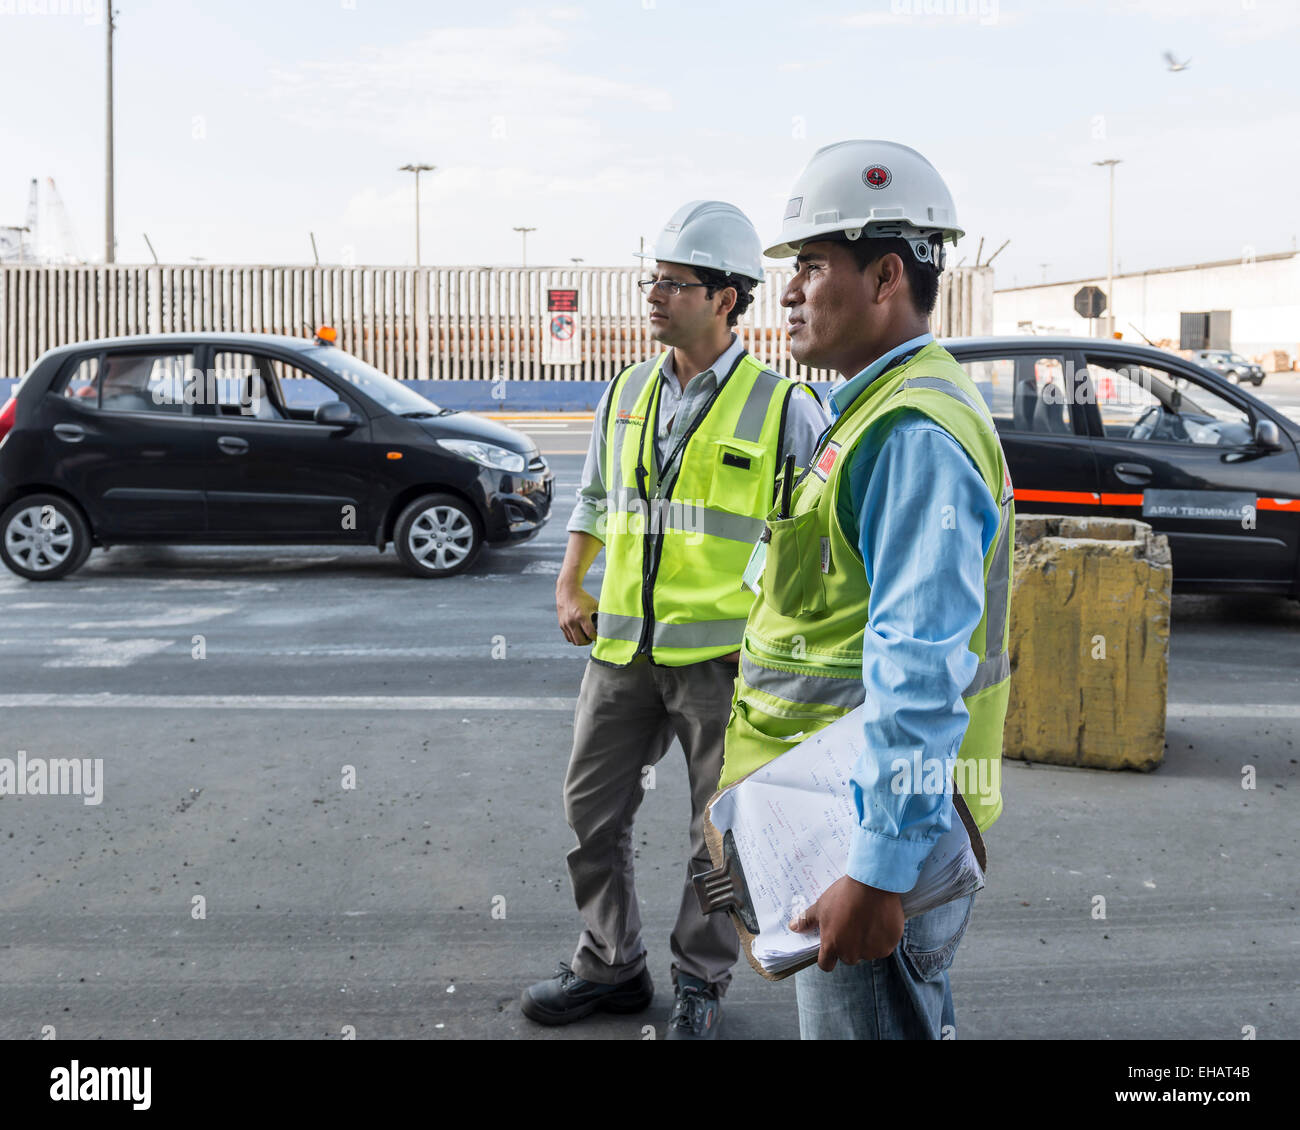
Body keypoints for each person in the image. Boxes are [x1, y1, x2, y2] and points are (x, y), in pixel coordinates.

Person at [718, 141, 1015, 1040]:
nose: (789, 291)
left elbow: (920, 671)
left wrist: (878, 872)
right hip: (831, 823)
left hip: (863, 843)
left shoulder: (911, 432)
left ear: (886, 276)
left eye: (811, 265)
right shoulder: (870, 412)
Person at [521, 200, 827, 1040]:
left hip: (723, 662)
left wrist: (777, 644)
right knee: (590, 812)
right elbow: (595, 498)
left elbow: (812, 542)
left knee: (715, 836)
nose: (654, 295)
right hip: (620, 649)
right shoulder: (626, 392)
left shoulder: (783, 407)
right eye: (652, 281)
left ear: (726, 298)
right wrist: (570, 583)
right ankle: (609, 962)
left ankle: (701, 979)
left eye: (674, 283)